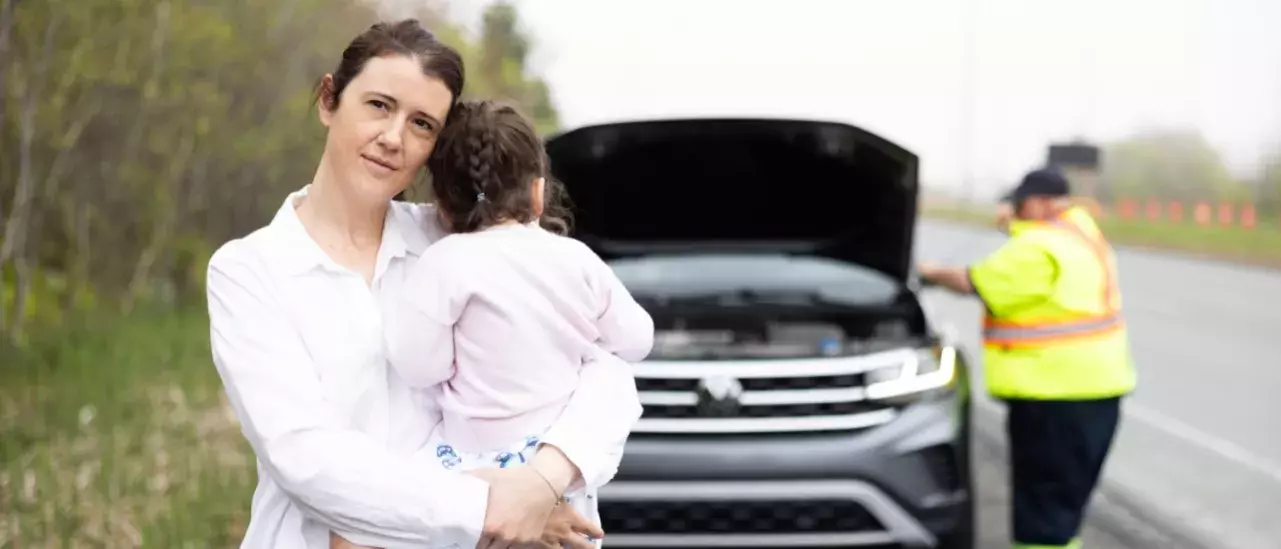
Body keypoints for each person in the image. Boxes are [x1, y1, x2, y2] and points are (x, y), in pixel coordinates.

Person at [206, 20, 639, 549]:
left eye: (422, 124)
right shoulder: (249, 271)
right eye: (379, 106)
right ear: (328, 100)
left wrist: (541, 480)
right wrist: (490, 509)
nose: (393, 138)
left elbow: (607, 372)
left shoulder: (457, 244)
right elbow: (307, 459)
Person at [357, 99, 654, 549]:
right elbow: (637, 339)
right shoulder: (577, 259)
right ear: (537, 192)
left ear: (442, 205)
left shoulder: (445, 261)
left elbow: (419, 368)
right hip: (559, 472)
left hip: (472, 471)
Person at [916, 168, 1137, 549]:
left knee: (1041, 513)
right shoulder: (1083, 236)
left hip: (1054, 399)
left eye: (1020, 204)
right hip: (1099, 395)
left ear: (1039, 203)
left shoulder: (1034, 249)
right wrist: (1017, 228)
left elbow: (976, 281)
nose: (1015, 211)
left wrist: (929, 273)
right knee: (1065, 506)